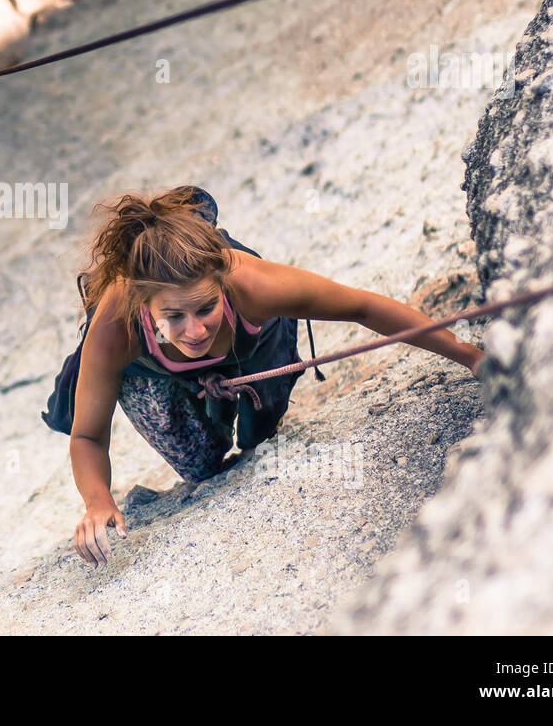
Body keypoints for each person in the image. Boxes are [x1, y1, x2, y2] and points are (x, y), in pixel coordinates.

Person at [69, 185, 485, 569]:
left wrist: (468, 355)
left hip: (252, 344)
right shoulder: (116, 325)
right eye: (174, 317)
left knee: (260, 438)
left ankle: (238, 392)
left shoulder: (252, 284)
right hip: (157, 375)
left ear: (223, 285)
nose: (194, 331)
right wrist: (98, 499)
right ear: (145, 305)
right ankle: (205, 394)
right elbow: (87, 435)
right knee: (202, 464)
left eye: (205, 309)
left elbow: (363, 307)